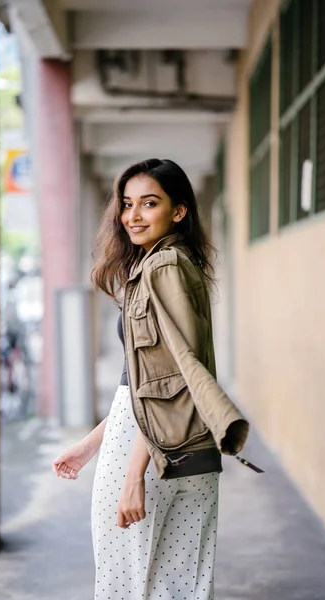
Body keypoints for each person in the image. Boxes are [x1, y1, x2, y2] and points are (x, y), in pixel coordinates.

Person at [52, 158, 250, 600]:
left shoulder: (164, 268)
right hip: (151, 439)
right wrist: (90, 445)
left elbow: (174, 380)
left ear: (178, 211)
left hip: (153, 450)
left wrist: (133, 474)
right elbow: (140, 381)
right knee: (170, 584)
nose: (133, 216)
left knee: (131, 581)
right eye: (126, 204)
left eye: (149, 203)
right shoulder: (161, 265)